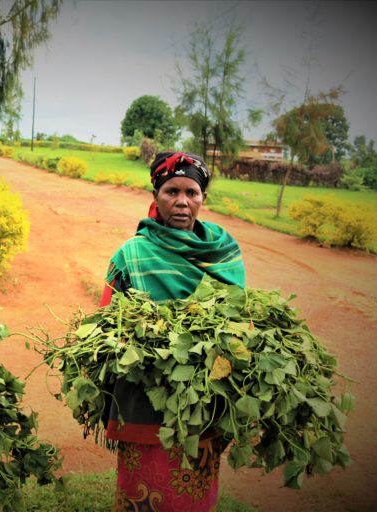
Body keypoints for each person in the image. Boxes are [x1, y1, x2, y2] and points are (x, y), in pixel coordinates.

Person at [99, 151, 245, 512]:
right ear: (155, 197)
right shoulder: (132, 253)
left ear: (202, 199)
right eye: (171, 191)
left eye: (191, 192)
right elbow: (105, 321)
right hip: (145, 397)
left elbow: (240, 318)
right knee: (144, 489)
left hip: (205, 398)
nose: (182, 202)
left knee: (192, 493)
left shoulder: (224, 252)